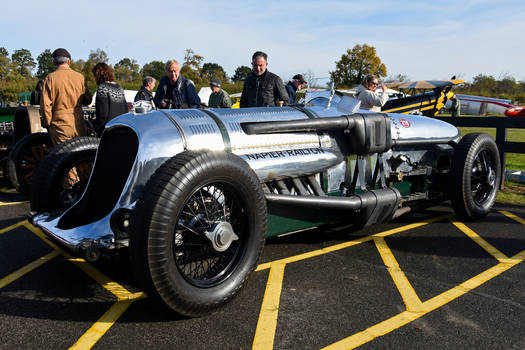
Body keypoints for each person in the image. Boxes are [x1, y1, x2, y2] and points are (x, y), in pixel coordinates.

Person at [40, 48, 92, 146]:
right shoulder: (80, 77)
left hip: (59, 124)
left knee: (63, 157)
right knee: (80, 154)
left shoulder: (50, 78)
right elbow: (88, 99)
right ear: (69, 61)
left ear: (54, 63)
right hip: (78, 122)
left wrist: (48, 124)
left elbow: (45, 105)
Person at [92, 63, 128, 136]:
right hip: (121, 129)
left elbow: (102, 113)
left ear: (98, 75)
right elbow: (125, 109)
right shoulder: (119, 87)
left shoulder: (102, 88)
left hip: (108, 131)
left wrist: (97, 128)